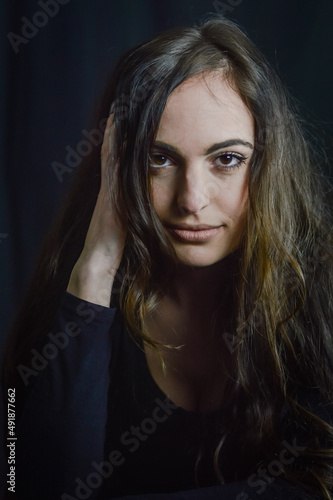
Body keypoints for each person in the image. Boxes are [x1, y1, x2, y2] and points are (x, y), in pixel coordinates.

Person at [3, 15, 333, 500]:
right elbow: (30, 488)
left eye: (227, 159)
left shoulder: (318, 290)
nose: (191, 200)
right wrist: (95, 266)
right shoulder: (74, 297)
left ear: (268, 163)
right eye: (159, 158)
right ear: (119, 166)